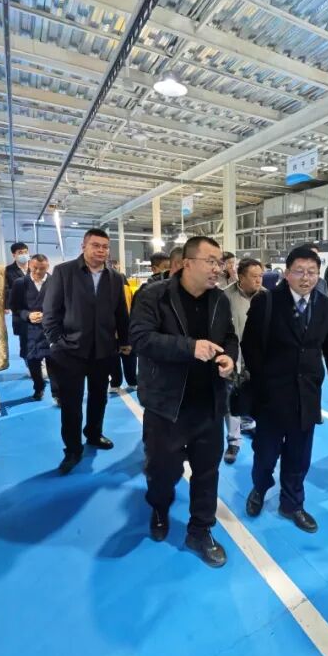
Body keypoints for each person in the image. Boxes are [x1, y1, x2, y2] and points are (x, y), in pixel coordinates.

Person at [130, 236, 238, 568]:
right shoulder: (153, 296)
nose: (218, 269)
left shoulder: (219, 299)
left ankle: (200, 531)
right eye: (211, 261)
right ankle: (159, 508)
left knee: (207, 472)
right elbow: (141, 339)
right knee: (162, 470)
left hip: (209, 404)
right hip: (167, 406)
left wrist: (230, 358)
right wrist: (190, 347)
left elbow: (230, 337)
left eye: (220, 263)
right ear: (188, 263)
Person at [243, 247, 328, 532]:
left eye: (312, 272)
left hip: (307, 395)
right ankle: (259, 488)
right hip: (271, 396)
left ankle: (292, 504)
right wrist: (263, 381)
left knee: (299, 456)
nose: (306, 278)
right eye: (299, 271)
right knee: (265, 453)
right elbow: (249, 346)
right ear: (286, 274)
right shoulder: (266, 302)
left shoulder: (325, 306)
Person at [42, 228, 130, 475]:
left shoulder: (115, 278)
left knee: (99, 397)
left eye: (105, 246)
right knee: (71, 403)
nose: (101, 250)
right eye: (96, 245)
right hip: (70, 351)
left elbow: (121, 313)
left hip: (104, 350)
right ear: (84, 247)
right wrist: (57, 341)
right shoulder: (64, 272)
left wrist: (125, 340)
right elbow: (50, 311)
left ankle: (93, 433)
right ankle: (72, 449)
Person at [223, 258, 264, 464]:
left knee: (259, 397)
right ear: (241, 277)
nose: (258, 280)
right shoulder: (225, 297)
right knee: (232, 398)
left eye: (260, 276)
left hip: (259, 360)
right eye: (254, 276)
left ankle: (251, 425)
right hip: (234, 357)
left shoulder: (267, 297)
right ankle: (233, 441)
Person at [8, 254, 54, 402]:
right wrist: (28, 315)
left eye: (42, 268)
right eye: (35, 268)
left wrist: (47, 315)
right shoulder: (20, 283)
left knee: (54, 363)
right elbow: (14, 307)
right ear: (29, 265)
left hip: (50, 330)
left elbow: (63, 305)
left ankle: (57, 393)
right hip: (29, 330)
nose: (38, 272)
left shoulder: (56, 282)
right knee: (33, 362)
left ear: (47, 267)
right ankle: (39, 387)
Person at [4, 242, 30, 338]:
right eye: (20, 252)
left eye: (26, 252)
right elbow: (6, 289)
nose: (24, 255)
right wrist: (6, 306)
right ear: (14, 255)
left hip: (37, 306)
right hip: (19, 309)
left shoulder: (35, 267)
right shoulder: (8, 270)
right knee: (24, 339)